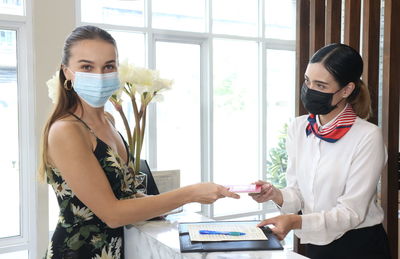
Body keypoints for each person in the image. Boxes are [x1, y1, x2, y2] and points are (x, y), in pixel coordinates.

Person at [39, 25, 240, 259]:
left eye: (108, 66)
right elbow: (112, 213)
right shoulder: (66, 130)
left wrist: (164, 205)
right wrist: (190, 193)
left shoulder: (108, 120)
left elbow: (123, 195)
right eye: (86, 67)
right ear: (67, 72)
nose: (100, 75)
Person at [250, 43, 390, 259]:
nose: (310, 90)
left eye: (321, 85)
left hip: (359, 246)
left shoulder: (367, 136)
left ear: (347, 90)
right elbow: (297, 192)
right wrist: (275, 195)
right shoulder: (299, 127)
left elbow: (351, 213)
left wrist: (296, 221)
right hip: (315, 243)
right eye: (307, 81)